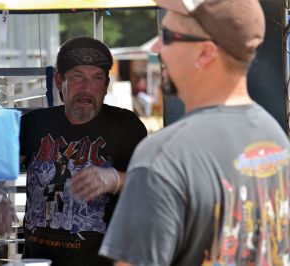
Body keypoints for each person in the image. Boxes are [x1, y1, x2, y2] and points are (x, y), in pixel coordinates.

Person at [99, 0, 290, 265]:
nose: (156, 48)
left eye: (166, 36)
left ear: (205, 53)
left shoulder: (165, 156)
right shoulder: (274, 139)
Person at [0, 37, 147, 266]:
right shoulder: (34, 124)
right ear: (59, 81)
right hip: (38, 261)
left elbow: (151, 183)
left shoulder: (126, 125)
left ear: (106, 85)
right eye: (78, 76)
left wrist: (115, 179)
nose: (87, 89)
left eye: (97, 78)